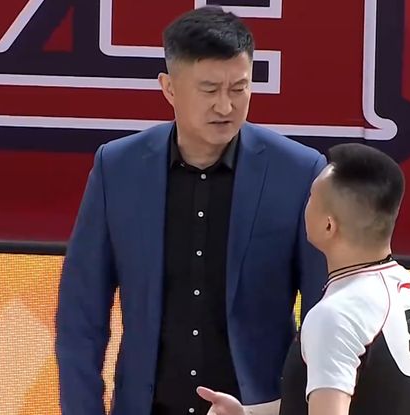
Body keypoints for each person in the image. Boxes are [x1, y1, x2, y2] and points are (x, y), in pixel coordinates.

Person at [55, 5, 328, 415]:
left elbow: (323, 315)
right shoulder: (118, 169)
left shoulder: (299, 172)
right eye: (209, 90)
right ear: (169, 88)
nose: (226, 106)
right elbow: (81, 315)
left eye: (239, 88)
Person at [197, 143, 410, 415]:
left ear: (328, 225)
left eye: (310, 196)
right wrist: (247, 413)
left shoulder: (335, 315)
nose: (303, 204)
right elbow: (365, 394)